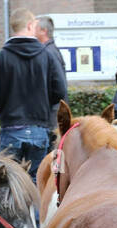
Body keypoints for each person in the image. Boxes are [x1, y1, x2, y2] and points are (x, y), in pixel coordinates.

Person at [0, 9, 66, 181]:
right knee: (36, 181)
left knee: (9, 183)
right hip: (39, 129)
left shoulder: (0, 58)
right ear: (29, 25)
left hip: (11, 128)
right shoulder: (47, 56)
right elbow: (60, 91)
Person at [35, 15, 67, 144]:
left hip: (52, 115)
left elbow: (59, 87)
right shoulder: (50, 50)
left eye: (35, 27)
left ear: (44, 31)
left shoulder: (48, 52)